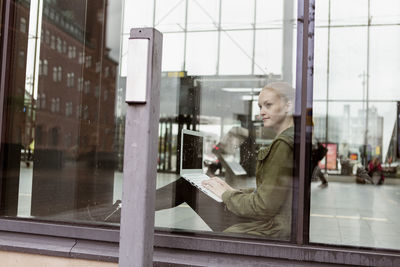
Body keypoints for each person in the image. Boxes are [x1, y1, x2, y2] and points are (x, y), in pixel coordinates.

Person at [155, 82, 294, 240]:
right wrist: (232, 191)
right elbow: (273, 194)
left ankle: (128, 211)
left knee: (187, 186)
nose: (262, 112)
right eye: (260, 106)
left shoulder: (282, 145)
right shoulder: (292, 138)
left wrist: (227, 195)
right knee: (192, 186)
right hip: (272, 224)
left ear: (288, 106)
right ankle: (127, 210)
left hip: (266, 229)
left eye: (268, 105)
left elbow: (262, 207)